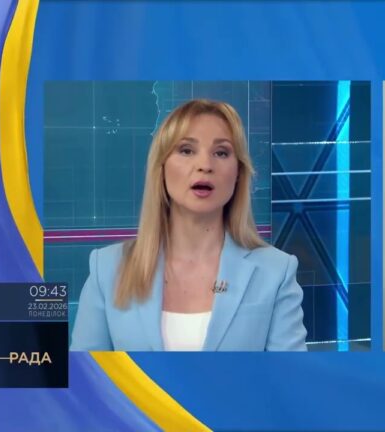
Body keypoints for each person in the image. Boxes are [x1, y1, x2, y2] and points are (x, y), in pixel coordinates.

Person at [71, 99, 307, 351]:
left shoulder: (276, 271)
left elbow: (289, 374)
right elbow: (85, 373)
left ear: (238, 172)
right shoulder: (107, 269)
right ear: (161, 168)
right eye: (186, 150)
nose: (205, 165)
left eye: (221, 152)